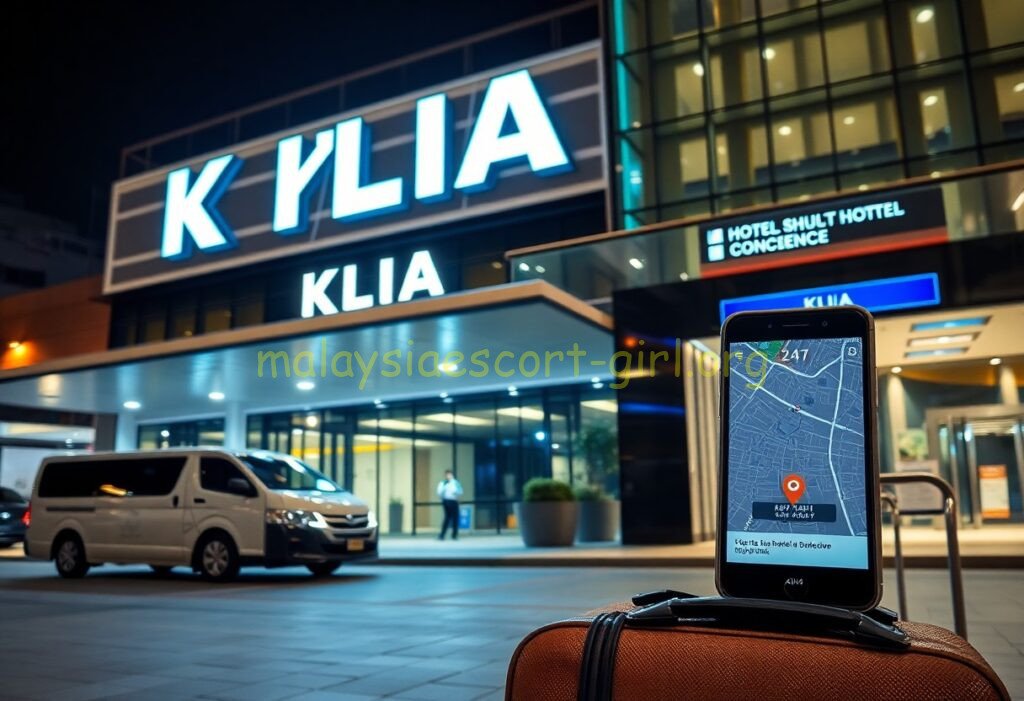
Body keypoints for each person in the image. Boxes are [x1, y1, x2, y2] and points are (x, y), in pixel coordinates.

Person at [437, 470, 464, 540]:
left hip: (454, 501)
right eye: (447, 475)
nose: (449, 476)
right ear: (445, 475)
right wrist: (444, 489)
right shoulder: (443, 483)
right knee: (447, 518)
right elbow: (439, 492)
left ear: (452, 475)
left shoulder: (455, 482)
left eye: (450, 474)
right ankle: (442, 535)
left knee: (455, 518)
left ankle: (454, 535)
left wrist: (455, 492)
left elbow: (460, 491)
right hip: (446, 501)